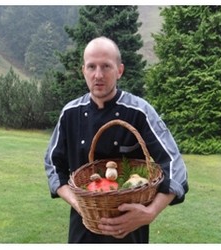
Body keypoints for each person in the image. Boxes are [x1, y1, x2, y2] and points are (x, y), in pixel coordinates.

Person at [44, 36, 188, 243]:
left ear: (120, 70)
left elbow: (174, 165)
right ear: (83, 70)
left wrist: (150, 213)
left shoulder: (140, 112)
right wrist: (79, 203)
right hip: (83, 229)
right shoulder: (70, 113)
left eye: (106, 66)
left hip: (130, 230)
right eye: (91, 66)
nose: (98, 75)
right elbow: (53, 164)